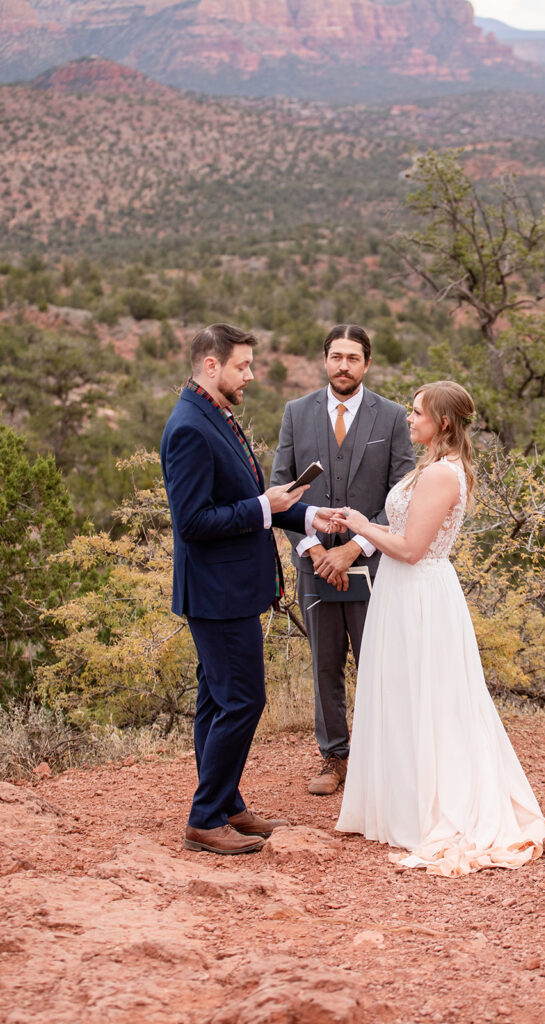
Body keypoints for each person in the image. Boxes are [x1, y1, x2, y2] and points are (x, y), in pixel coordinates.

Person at [333, 380, 545, 876]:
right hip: (403, 590)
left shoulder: (440, 476)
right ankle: (400, 803)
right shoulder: (432, 467)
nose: (409, 419)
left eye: (417, 413)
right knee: (405, 695)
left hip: (420, 594)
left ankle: (434, 807)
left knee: (429, 697)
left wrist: (359, 526)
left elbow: (411, 549)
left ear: (443, 422)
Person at [160, 323, 337, 856]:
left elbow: (253, 499)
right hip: (216, 593)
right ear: (211, 366)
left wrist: (307, 515)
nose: (251, 375)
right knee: (242, 699)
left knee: (217, 701)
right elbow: (193, 521)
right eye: (243, 366)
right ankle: (204, 818)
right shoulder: (190, 426)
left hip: (228, 588)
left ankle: (229, 804)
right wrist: (268, 508)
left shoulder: (215, 415)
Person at [270, 324, 415, 796]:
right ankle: (335, 758)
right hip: (314, 564)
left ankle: (382, 761)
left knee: (378, 663)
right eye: (336, 356)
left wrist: (355, 546)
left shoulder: (392, 417)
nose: (344, 365)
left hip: (373, 564)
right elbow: (281, 492)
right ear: (325, 360)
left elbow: (403, 496)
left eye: (353, 358)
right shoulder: (297, 413)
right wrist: (313, 548)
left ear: (367, 363)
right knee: (325, 664)